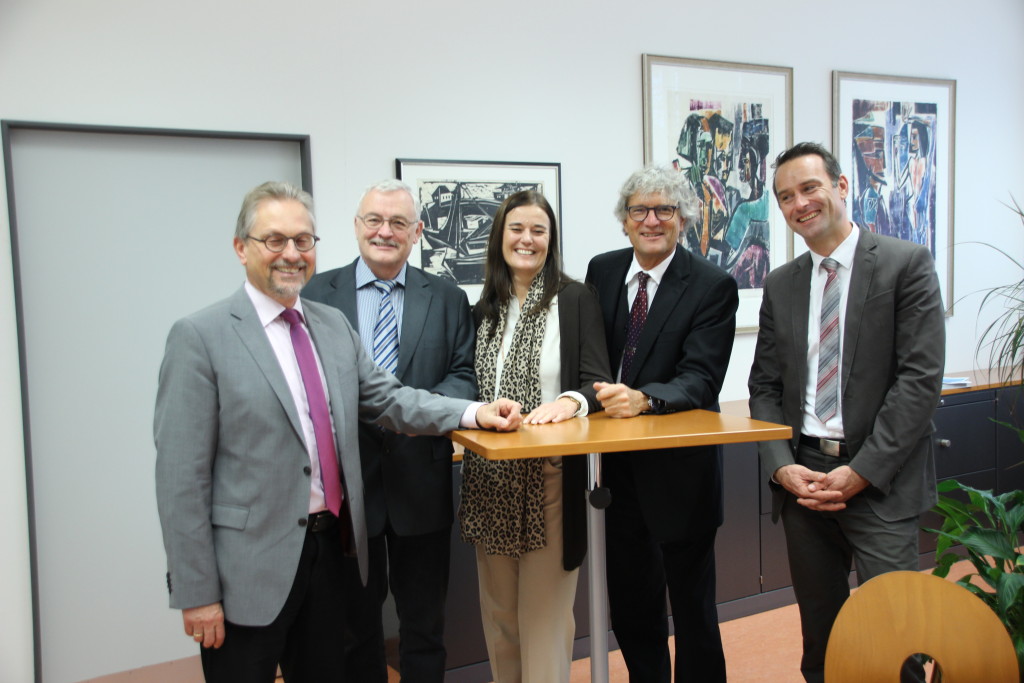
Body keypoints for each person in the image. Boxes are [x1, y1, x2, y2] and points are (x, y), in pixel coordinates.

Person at [154, 181, 521, 683]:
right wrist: (197, 592)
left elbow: (390, 399)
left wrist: (473, 413)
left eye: (303, 241)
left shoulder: (329, 326)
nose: (291, 254)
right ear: (241, 248)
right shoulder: (200, 337)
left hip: (332, 552)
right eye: (274, 240)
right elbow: (181, 479)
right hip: (248, 573)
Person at [747, 142, 945, 683]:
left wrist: (861, 472)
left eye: (809, 188)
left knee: (893, 639)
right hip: (805, 481)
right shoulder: (782, 283)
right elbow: (763, 387)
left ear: (841, 186)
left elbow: (919, 381)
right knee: (824, 642)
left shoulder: (906, 264)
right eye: (786, 197)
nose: (799, 203)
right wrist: (781, 466)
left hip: (881, 481)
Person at [303, 179, 476, 682]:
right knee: (355, 630)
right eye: (374, 220)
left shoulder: (445, 297)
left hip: (419, 481)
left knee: (424, 627)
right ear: (356, 227)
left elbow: (464, 375)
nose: (385, 231)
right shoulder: (316, 294)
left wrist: (417, 414)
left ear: (417, 231)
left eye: (398, 222)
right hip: (345, 489)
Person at [585, 166, 739, 683]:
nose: (651, 220)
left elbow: (700, 378)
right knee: (631, 605)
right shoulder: (602, 272)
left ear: (684, 219)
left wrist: (645, 399)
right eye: (639, 210)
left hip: (681, 475)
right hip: (614, 474)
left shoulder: (712, 285)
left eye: (664, 210)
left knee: (693, 610)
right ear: (624, 221)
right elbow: (590, 361)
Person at [458, 189, 612, 683]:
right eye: (517, 229)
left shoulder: (575, 299)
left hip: (550, 479)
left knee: (544, 621)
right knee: (501, 621)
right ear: (500, 238)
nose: (527, 239)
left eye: (538, 231)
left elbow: (596, 379)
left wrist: (571, 400)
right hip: (488, 481)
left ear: (551, 240)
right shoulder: (482, 308)